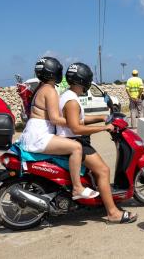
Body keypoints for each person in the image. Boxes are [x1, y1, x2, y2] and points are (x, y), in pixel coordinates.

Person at [57, 62, 138, 224]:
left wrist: (100, 117)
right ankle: (113, 213)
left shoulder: (68, 96)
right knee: (103, 171)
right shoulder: (72, 101)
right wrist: (104, 127)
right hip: (74, 141)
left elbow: (78, 119)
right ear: (83, 81)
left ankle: (100, 199)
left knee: (97, 171)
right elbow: (76, 127)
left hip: (72, 139)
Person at [19, 57, 98, 200]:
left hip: (33, 133)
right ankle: (77, 188)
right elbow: (55, 119)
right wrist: (76, 124)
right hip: (40, 135)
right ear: (53, 73)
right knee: (76, 148)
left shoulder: (40, 88)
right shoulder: (50, 90)